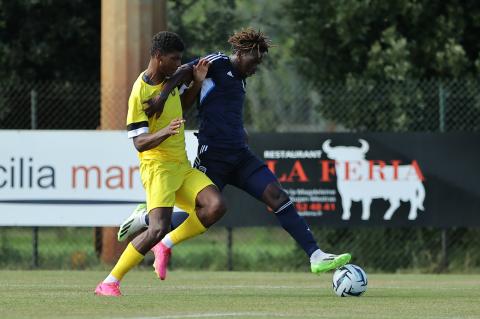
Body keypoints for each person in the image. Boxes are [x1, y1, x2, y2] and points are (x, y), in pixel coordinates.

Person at [118, 28, 351, 280]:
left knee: (276, 195)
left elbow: (226, 110)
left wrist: (239, 131)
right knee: (198, 212)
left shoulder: (240, 79)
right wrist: (162, 97)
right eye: (255, 60)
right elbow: (184, 71)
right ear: (240, 53)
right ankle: (144, 217)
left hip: (240, 156)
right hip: (212, 158)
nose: (256, 67)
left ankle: (315, 256)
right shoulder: (217, 63)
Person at [95, 31, 226, 296]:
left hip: (182, 165)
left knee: (215, 207)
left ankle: (164, 244)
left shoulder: (171, 80)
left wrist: (197, 83)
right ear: (157, 57)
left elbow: (183, 103)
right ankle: (110, 281)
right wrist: (165, 132)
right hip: (158, 168)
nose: (178, 64)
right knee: (156, 228)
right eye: (174, 59)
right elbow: (139, 143)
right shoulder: (139, 92)